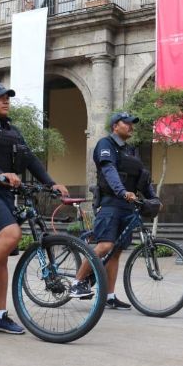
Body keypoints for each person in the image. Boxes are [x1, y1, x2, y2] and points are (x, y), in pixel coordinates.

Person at [0, 81, 69, 335]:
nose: (6, 100)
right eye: (0, 97)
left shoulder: (13, 131)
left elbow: (30, 159)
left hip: (4, 195)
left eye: (7, 97)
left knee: (1, 255)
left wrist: (51, 184)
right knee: (11, 235)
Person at [69, 112, 161, 310]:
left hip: (128, 206)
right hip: (110, 203)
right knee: (105, 246)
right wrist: (122, 191)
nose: (130, 126)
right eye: (126, 123)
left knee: (116, 252)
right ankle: (77, 282)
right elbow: (109, 170)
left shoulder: (131, 150)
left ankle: (109, 296)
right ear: (115, 126)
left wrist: (154, 199)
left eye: (132, 123)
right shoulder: (106, 144)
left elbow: (143, 178)